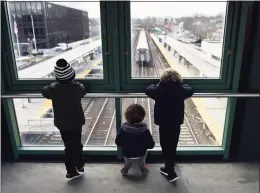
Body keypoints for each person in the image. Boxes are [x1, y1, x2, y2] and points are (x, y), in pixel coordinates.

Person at [144, 68, 193, 182]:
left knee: (165, 144)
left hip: (164, 123)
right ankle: (170, 163)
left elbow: (147, 88)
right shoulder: (181, 90)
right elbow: (190, 89)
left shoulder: (158, 90)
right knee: (173, 143)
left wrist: (153, 84)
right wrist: (182, 85)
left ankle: (169, 170)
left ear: (162, 79)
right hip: (176, 122)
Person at [42, 58, 87, 179]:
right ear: (72, 75)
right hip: (76, 122)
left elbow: (44, 92)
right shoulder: (77, 88)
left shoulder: (53, 88)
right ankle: (78, 165)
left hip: (62, 123)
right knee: (76, 144)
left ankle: (73, 168)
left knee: (68, 145)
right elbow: (83, 89)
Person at [115, 104, 155, 176]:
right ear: (142, 117)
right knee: (141, 161)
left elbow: (118, 142)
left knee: (128, 162)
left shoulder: (123, 129)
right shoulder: (145, 131)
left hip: (127, 156)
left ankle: (126, 167)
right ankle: (143, 168)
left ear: (127, 116)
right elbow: (151, 145)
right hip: (141, 156)